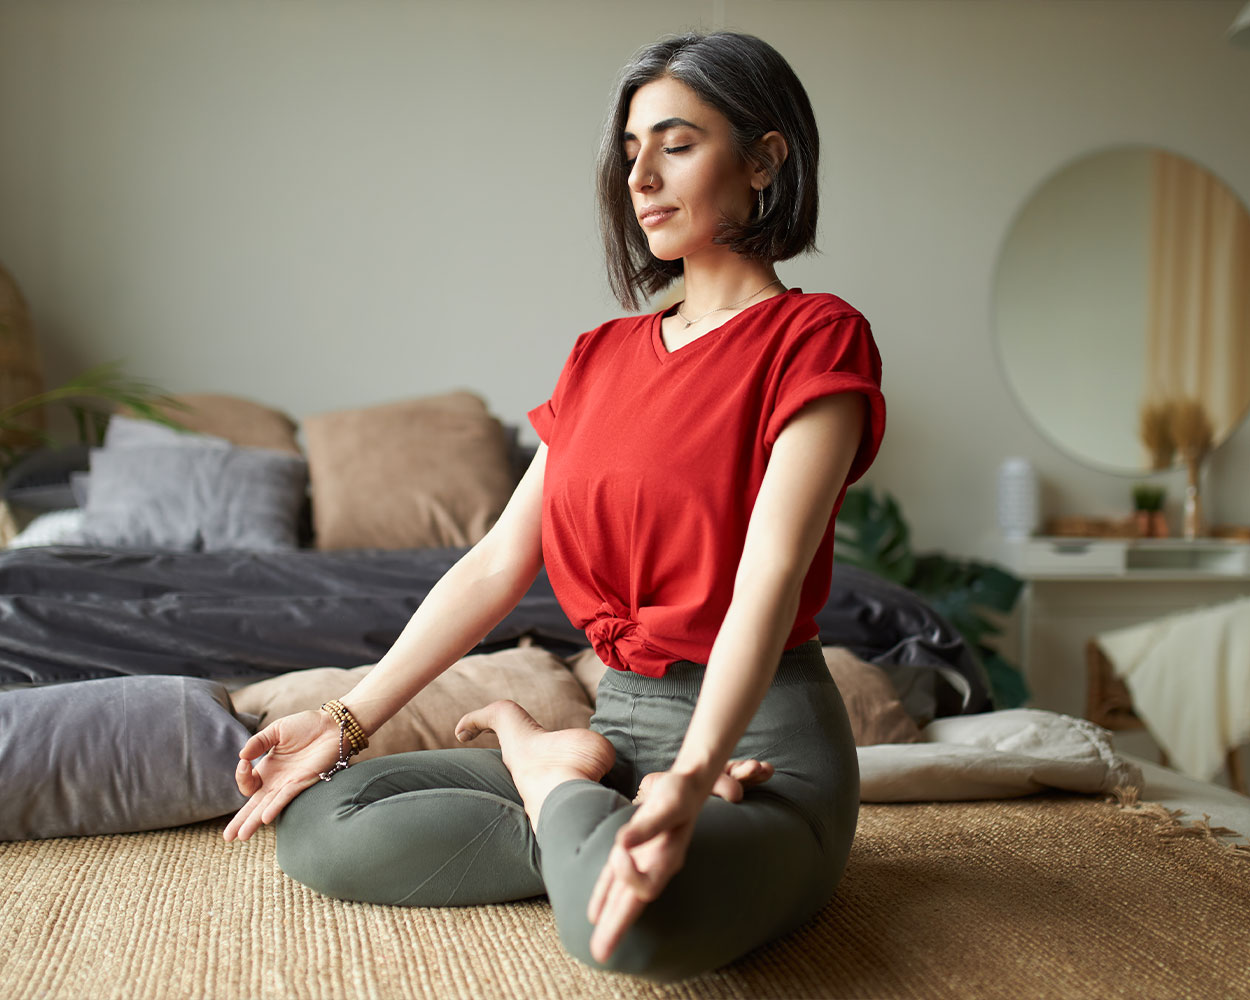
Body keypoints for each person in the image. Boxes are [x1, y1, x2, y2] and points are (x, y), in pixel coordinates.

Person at [223, 29, 886, 984]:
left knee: (637, 938)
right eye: (629, 153)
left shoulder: (816, 337)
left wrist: (694, 779)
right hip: (616, 736)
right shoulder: (600, 357)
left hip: (758, 752)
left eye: (678, 143)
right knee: (322, 825)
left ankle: (550, 785)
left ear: (765, 161)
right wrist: (343, 723)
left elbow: (768, 579)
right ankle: (581, 813)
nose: (642, 178)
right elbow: (498, 561)